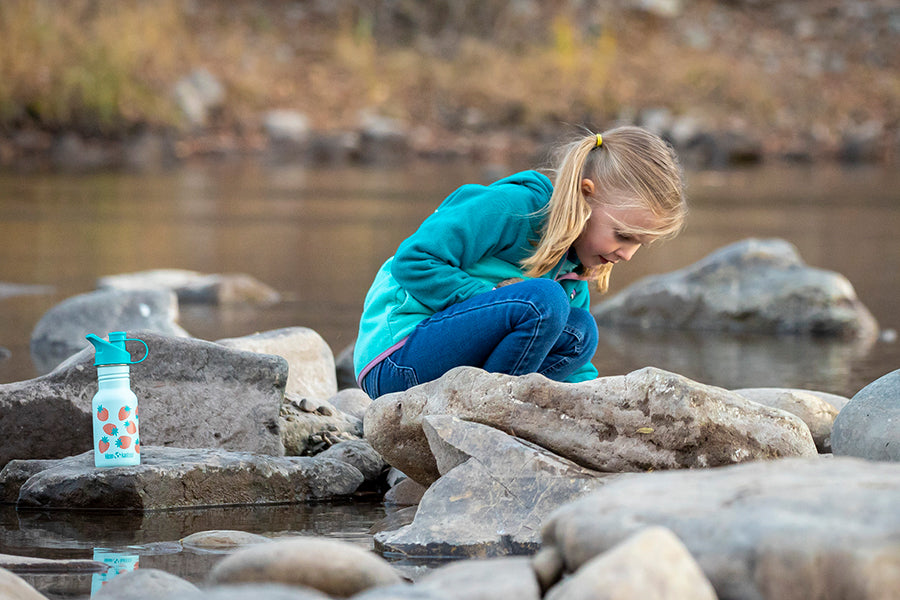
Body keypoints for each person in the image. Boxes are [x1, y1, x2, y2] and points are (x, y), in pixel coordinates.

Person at [354, 125, 687, 399]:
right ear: (587, 194)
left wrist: (597, 406)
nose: (627, 254)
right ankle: (489, 412)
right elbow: (414, 260)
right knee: (544, 302)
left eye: (639, 244)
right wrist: (493, 293)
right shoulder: (514, 206)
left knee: (582, 332)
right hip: (397, 359)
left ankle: (500, 411)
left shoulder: (575, 268)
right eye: (623, 235)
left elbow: (577, 365)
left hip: (457, 371)